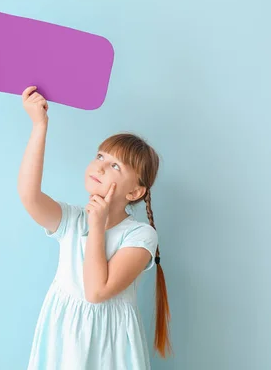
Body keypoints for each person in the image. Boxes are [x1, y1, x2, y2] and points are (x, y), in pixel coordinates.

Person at [18, 86, 172, 370]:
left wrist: (97, 226)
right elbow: (30, 196)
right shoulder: (71, 221)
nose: (100, 167)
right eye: (100, 157)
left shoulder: (140, 236)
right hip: (63, 342)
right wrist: (39, 126)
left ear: (135, 192)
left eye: (116, 166)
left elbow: (96, 292)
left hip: (109, 350)